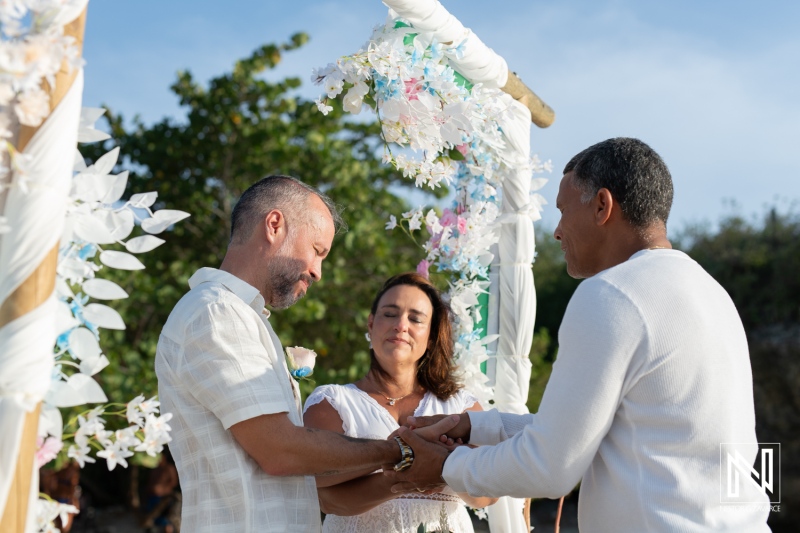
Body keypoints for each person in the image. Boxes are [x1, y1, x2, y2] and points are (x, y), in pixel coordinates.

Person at [385, 138, 772, 532]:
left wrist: (447, 465)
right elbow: (608, 427)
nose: (556, 231)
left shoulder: (613, 293)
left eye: (563, 210)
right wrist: (475, 425)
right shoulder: (712, 293)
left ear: (602, 206)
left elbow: (550, 466)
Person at [156, 176, 457, 532]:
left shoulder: (238, 315)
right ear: (274, 225)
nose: (317, 272)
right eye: (317, 249)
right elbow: (280, 450)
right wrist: (400, 452)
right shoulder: (217, 313)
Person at [303, 272, 496, 532]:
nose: (401, 325)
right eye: (390, 314)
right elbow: (324, 495)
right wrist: (406, 471)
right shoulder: (332, 402)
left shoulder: (460, 407)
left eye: (415, 318)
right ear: (371, 325)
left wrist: (447, 463)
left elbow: (488, 493)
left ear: (430, 337)